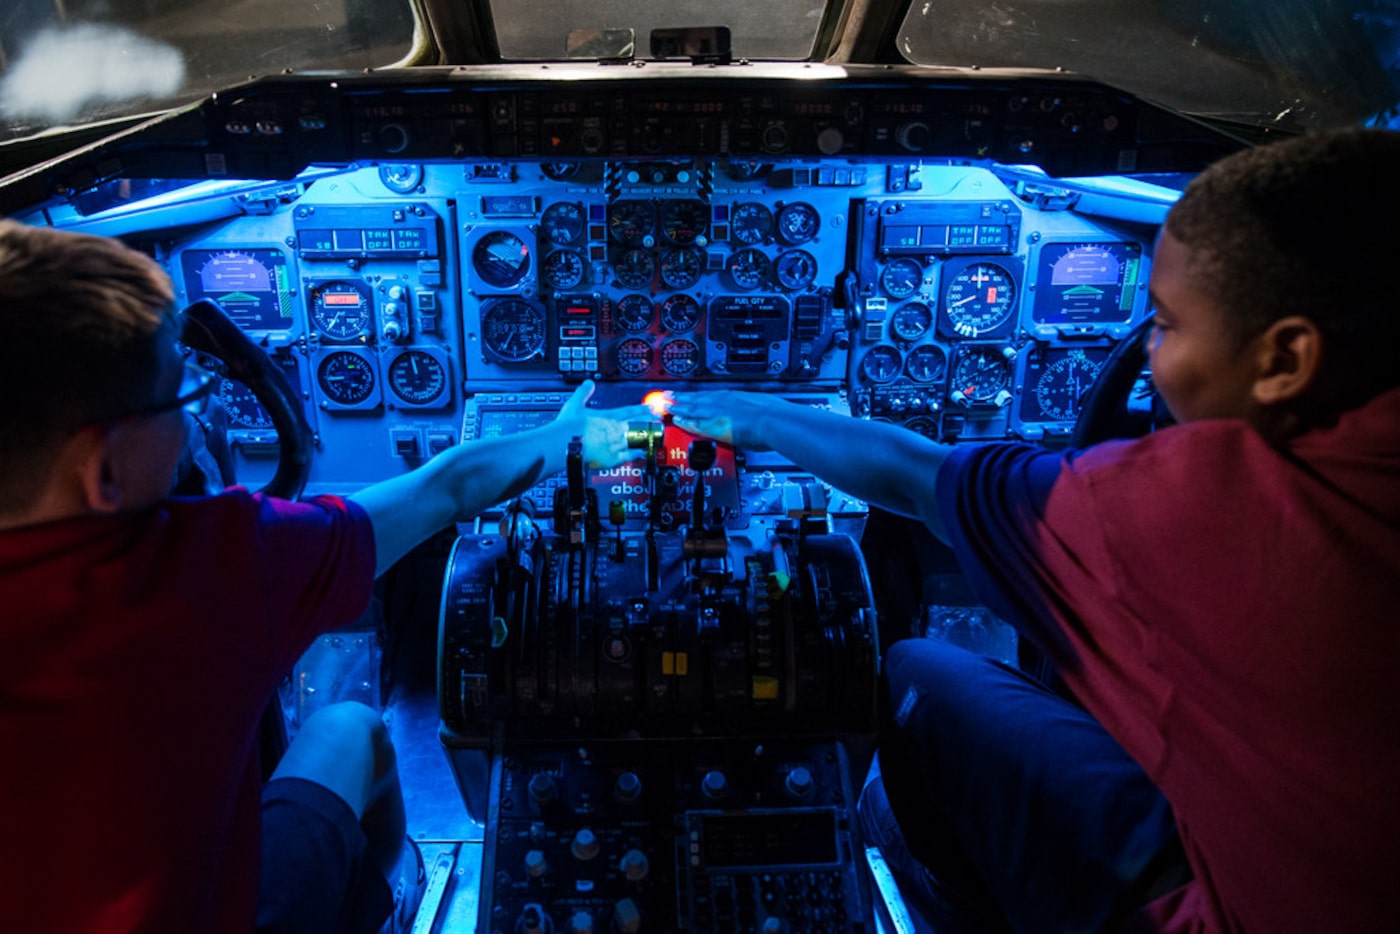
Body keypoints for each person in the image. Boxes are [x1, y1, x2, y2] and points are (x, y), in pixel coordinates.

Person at [669, 126, 1400, 932]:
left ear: (1286, 360)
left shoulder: (1205, 509)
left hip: (1233, 912)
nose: (1149, 356)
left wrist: (756, 415)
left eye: (1163, 323)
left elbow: (916, 479)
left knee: (915, 670)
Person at [0, 219, 645, 933]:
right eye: (181, 396)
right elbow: (447, 491)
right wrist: (567, 436)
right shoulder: (203, 569)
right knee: (352, 730)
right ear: (103, 470)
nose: (202, 412)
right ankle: (384, 907)